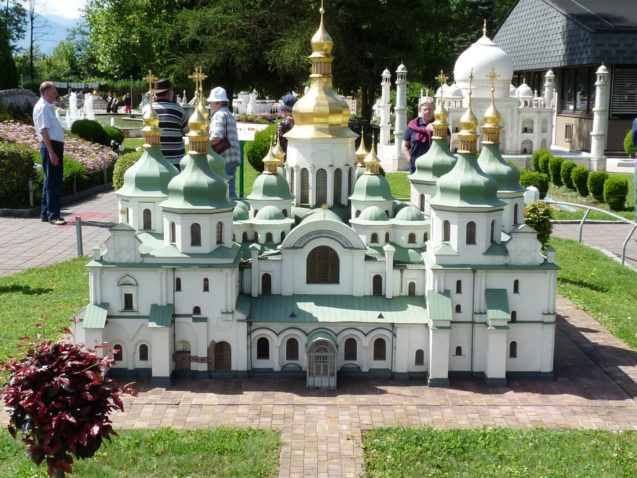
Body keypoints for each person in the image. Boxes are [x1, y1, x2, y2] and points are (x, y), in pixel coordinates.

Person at [33, 81, 66, 225]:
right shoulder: (43, 107)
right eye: (54, 93)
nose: (56, 95)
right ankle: (54, 215)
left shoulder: (46, 106)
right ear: (46, 93)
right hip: (51, 146)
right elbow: (43, 130)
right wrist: (52, 152)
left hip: (52, 146)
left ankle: (46, 213)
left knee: (49, 181)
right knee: (54, 182)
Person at [208, 86, 240, 199]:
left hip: (222, 159)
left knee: (224, 194)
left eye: (211, 103)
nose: (210, 106)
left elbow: (217, 137)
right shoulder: (229, 114)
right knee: (231, 191)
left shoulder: (219, 115)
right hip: (232, 158)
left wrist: (203, 144)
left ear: (218, 103)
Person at [150, 78, 189, 167]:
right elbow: (188, 131)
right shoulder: (178, 109)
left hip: (154, 162)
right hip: (176, 161)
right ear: (169, 93)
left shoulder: (147, 110)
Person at [402, 100, 435, 174]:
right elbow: (404, 146)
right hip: (415, 165)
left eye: (430, 109)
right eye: (425, 109)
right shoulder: (412, 125)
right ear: (420, 111)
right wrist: (410, 159)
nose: (427, 111)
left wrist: (436, 131)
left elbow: (447, 142)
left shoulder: (440, 126)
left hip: (434, 166)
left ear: (434, 110)